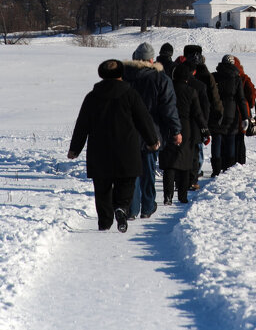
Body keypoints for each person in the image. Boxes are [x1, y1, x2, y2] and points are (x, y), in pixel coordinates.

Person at [68, 59, 159, 233]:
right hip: (127, 149)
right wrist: (152, 141)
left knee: (102, 188)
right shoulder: (131, 95)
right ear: (121, 74)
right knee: (126, 182)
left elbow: (82, 125)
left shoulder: (92, 96)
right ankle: (122, 208)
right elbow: (144, 120)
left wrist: (75, 149)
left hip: (99, 150)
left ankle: (104, 222)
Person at [122, 42, 182, 219]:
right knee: (148, 171)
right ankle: (147, 207)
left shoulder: (123, 77)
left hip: (127, 133)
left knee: (132, 172)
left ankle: (132, 209)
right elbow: (169, 108)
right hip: (152, 133)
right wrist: (176, 130)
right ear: (151, 59)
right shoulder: (160, 79)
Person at [159, 61, 207, 204]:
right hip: (186, 128)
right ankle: (182, 195)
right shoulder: (191, 91)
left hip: (168, 127)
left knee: (169, 164)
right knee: (185, 163)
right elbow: (198, 113)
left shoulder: (167, 89)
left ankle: (168, 196)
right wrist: (205, 130)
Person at [210, 54, 249, 175]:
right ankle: (229, 168)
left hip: (216, 112)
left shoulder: (214, 76)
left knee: (216, 140)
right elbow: (241, 99)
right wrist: (245, 117)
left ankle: (216, 170)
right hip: (232, 113)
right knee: (231, 140)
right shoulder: (236, 78)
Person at [182, 45, 210, 190]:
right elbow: (205, 107)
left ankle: (182, 179)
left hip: (182, 122)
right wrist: (205, 125)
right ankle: (192, 178)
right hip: (196, 123)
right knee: (195, 153)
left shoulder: (177, 82)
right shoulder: (200, 84)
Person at [233, 57, 256, 165]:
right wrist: (249, 105)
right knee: (240, 138)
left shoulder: (221, 76)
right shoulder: (244, 77)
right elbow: (251, 93)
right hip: (242, 111)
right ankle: (240, 160)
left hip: (227, 111)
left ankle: (230, 161)